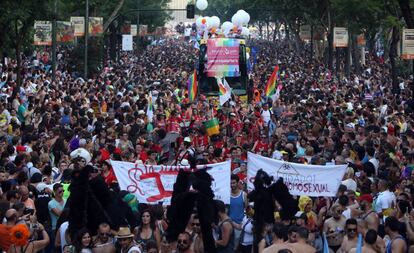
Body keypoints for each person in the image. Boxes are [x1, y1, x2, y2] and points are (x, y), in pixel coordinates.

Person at [229, 174, 247, 249]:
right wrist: (233, 223)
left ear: (237, 183)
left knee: (236, 248)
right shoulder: (226, 194)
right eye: (230, 183)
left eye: (234, 183)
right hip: (229, 225)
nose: (232, 185)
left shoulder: (243, 195)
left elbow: (247, 211)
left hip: (240, 226)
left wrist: (242, 224)